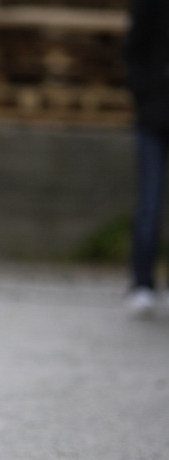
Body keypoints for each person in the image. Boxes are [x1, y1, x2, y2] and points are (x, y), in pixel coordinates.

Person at [124, 0, 169, 317]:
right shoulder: (150, 4)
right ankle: (142, 284)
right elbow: (132, 51)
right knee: (149, 206)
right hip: (153, 118)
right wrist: (146, 96)